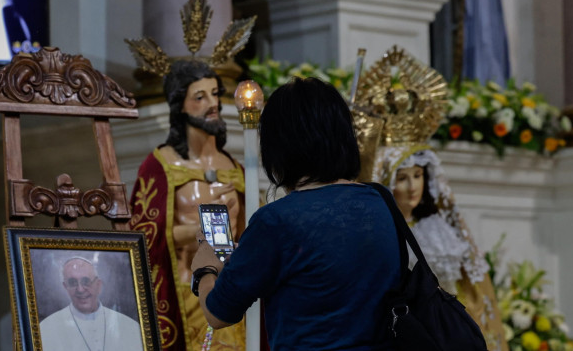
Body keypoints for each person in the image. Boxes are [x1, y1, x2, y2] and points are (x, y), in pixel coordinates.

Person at [191, 77, 401, 350]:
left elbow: (218, 314)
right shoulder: (381, 200)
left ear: (278, 146)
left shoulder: (277, 220)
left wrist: (205, 269)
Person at [128, 59, 246, 350]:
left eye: (215, 93)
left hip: (232, 292)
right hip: (185, 296)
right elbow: (143, 236)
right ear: (180, 105)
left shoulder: (235, 167)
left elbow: (248, 235)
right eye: (200, 97)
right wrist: (199, 230)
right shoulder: (161, 165)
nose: (213, 103)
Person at [373, 145, 507, 351]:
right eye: (402, 179)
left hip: (442, 325)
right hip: (405, 328)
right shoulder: (382, 232)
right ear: (387, 183)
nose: (412, 187)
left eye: (417, 175)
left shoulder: (437, 227)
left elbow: (455, 288)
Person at [38, 257, 143, 351]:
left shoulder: (130, 327)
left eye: (86, 281)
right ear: (66, 287)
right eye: (73, 282)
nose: (80, 289)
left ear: (98, 285)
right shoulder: (46, 329)